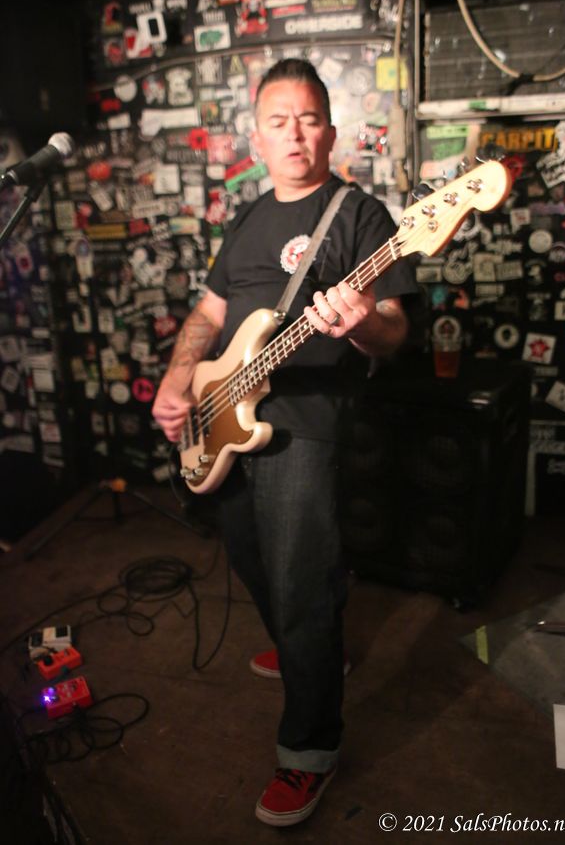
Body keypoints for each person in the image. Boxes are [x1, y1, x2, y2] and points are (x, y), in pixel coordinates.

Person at [152, 58, 419, 827]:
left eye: (309, 119)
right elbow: (209, 314)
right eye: (279, 121)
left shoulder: (359, 215)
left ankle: (309, 751)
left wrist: (360, 323)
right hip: (222, 413)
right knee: (248, 555)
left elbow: (394, 329)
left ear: (330, 132)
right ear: (258, 138)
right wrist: (179, 379)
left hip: (305, 423)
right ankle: (314, 650)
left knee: (303, 583)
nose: (295, 134)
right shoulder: (247, 218)